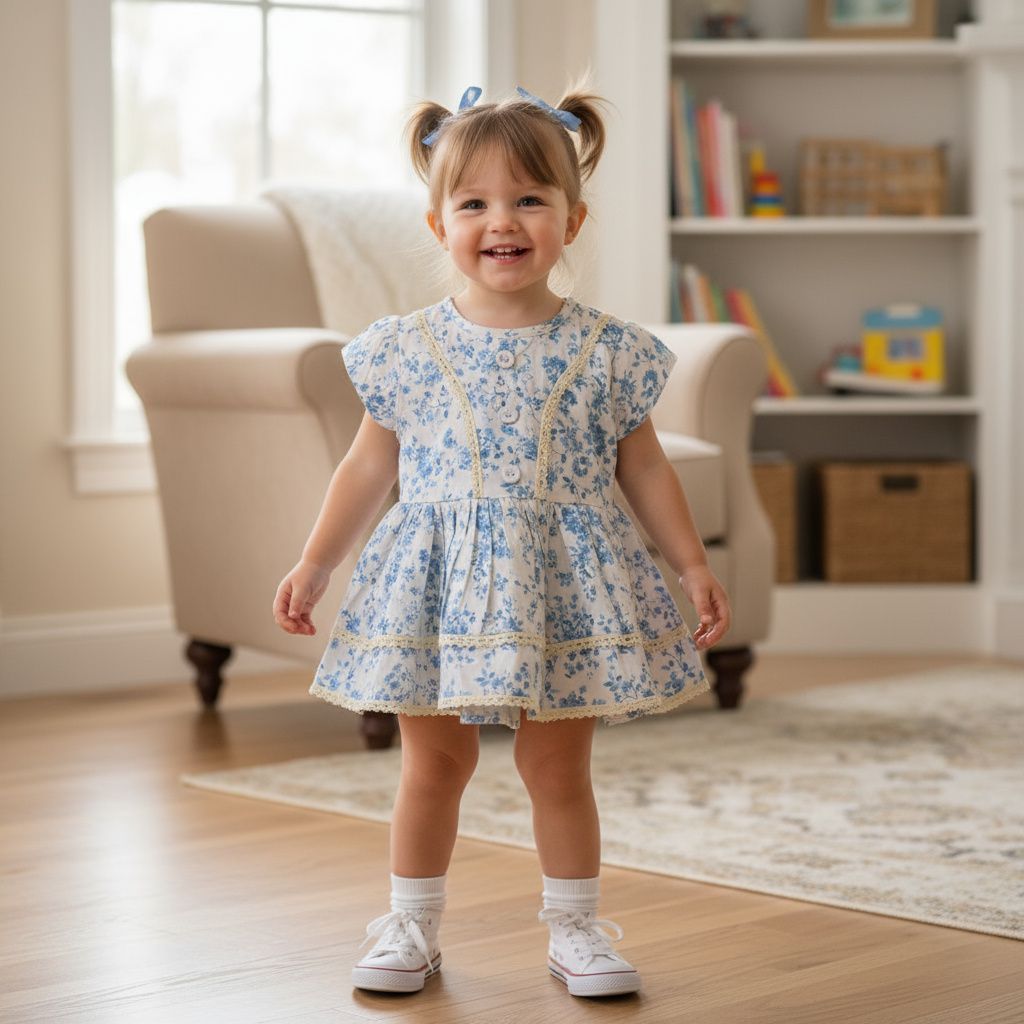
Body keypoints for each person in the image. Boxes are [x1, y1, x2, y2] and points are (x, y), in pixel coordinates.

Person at [272, 77, 732, 999]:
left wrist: (689, 563)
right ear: (439, 223)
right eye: (474, 202)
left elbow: (644, 468)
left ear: (573, 218)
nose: (503, 221)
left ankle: (576, 928)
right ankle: (410, 922)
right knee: (431, 763)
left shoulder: (607, 350)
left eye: (530, 199)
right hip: (436, 586)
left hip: (562, 584)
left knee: (556, 766)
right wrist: (315, 563)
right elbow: (367, 468)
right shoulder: (403, 349)